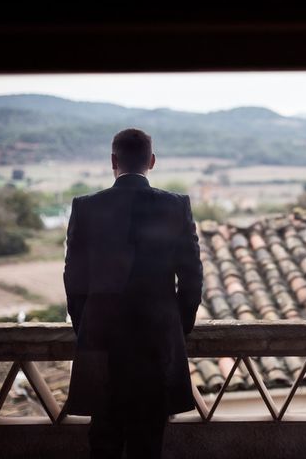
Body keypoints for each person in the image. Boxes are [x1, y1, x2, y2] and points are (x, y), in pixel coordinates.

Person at [63, 128, 203, 458]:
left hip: (101, 344)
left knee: (103, 441)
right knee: (148, 443)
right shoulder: (176, 206)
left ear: (113, 160)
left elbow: (74, 280)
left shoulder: (85, 208)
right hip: (156, 342)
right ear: (151, 161)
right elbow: (192, 278)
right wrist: (176, 328)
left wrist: (88, 328)